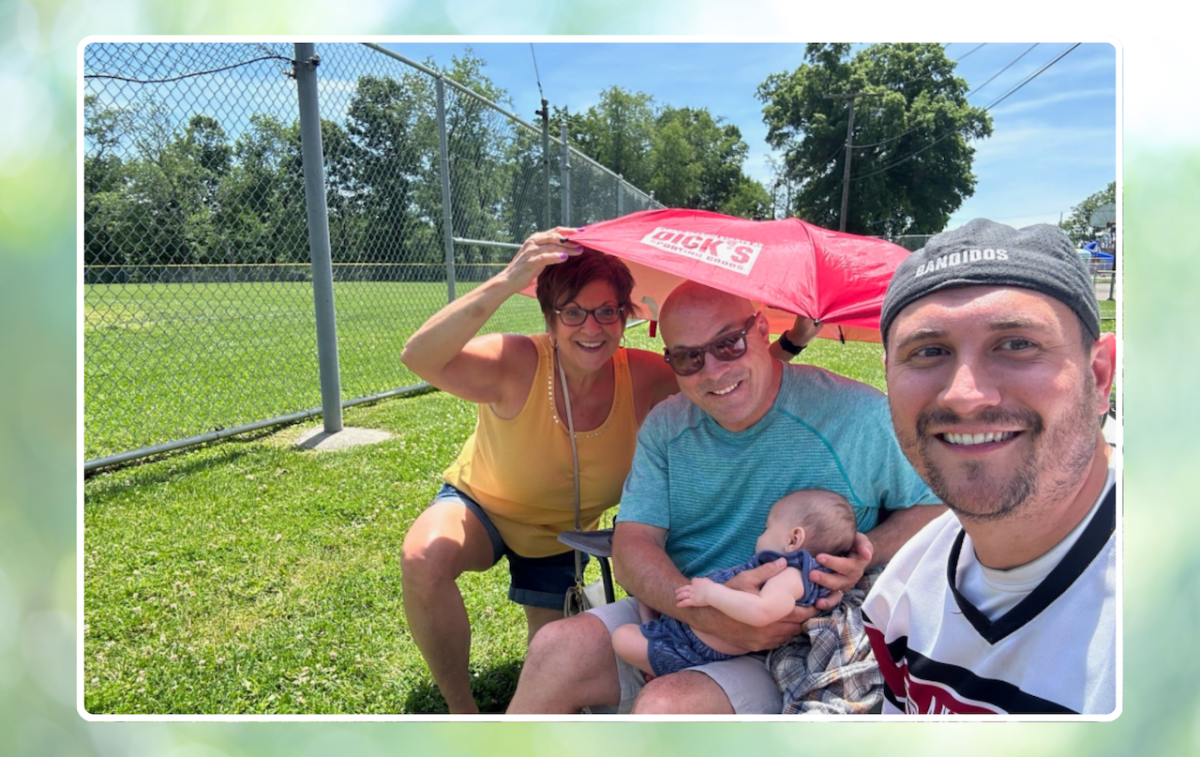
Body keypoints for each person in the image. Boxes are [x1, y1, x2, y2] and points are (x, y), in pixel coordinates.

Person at [507, 281, 944, 715]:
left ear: (760, 329)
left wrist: (862, 555)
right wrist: (700, 610)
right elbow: (633, 543)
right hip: (687, 611)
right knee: (555, 647)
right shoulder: (668, 425)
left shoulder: (856, 415)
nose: (713, 371)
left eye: (729, 344)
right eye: (688, 357)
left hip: (793, 638)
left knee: (667, 707)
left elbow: (937, 506)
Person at [398, 228, 680, 714]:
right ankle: (462, 712)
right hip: (481, 508)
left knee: (552, 661)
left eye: (606, 311)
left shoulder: (644, 375)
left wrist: (793, 343)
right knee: (423, 558)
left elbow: (717, 384)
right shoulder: (515, 360)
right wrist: (509, 279)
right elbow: (419, 357)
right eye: (573, 312)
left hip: (562, 537)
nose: (591, 327)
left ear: (624, 316)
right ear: (550, 320)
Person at [863, 219, 1118, 715]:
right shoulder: (899, 601)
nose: (965, 396)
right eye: (929, 351)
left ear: (1099, 376)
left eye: (1017, 344)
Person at [612, 489, 856, 678]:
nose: (760, 535)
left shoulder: (792, 577)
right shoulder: (791, 570)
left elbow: (762, 611)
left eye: (767, 527)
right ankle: (655, 633)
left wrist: (711, 594)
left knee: (622, 638)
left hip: (695, 648)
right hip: (689, 628)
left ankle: (662, 665)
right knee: (645, 600)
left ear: (794, 539)